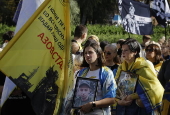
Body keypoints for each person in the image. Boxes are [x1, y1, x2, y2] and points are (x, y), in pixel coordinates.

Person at [115, 38, 164, 115]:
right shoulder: (121, 67)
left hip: (139, 108)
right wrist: (119, 101)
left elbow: (153, 88)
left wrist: (132, 97)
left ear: (135, 52)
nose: (122, 52)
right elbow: (116, 87)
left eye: (126, 50)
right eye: (122, 50)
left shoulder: (143, 66)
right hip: (123, 107)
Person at [76, 42, 117, 115]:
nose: (87, 55)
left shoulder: (106, 73)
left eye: (90, 52)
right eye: (85, 53)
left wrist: (92, 104)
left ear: (98, 54)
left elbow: (112, 99)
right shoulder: (81, 73)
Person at [1, 31, 36, 115]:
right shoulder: (2, 63)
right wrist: (11, 89)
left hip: (28, 109)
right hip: (9, 109)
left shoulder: (32, 63)